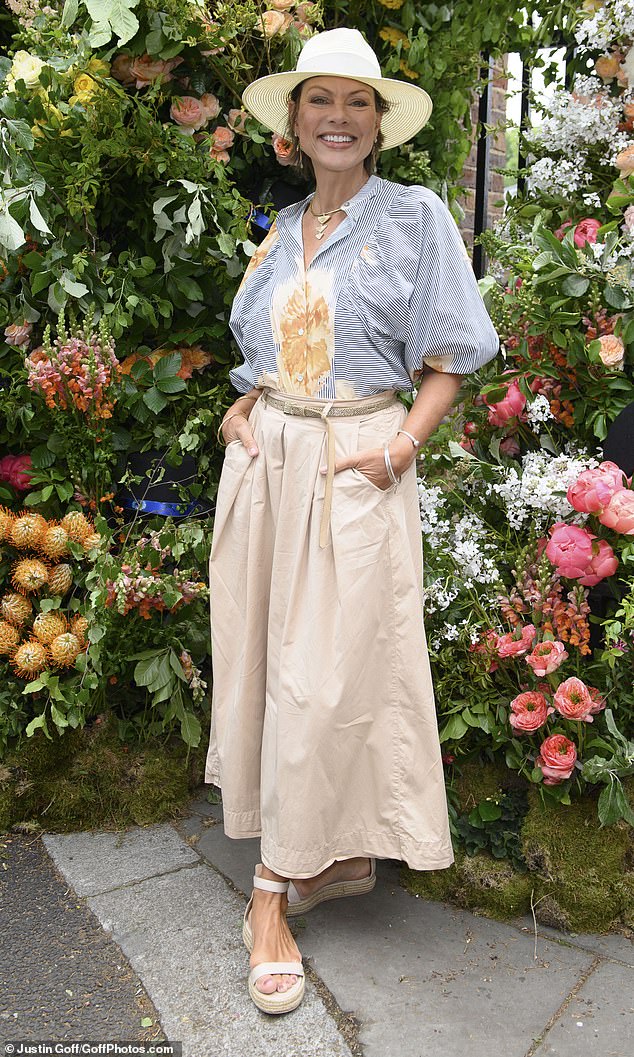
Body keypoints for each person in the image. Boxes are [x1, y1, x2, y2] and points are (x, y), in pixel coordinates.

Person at [204, 27, 499, 1015]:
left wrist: (402, 445)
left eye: (357, 102)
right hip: (269, 467)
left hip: (357, 466)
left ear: (379, 126)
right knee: (269, 668)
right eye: (320, 99)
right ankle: (320, 855)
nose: (338, 116)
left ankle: (268, 898)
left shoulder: (413, 217)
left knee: (326, 676)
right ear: (294, 121)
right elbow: (269, 352)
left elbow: (450, 355)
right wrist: (245, 402)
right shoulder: (282, 230)